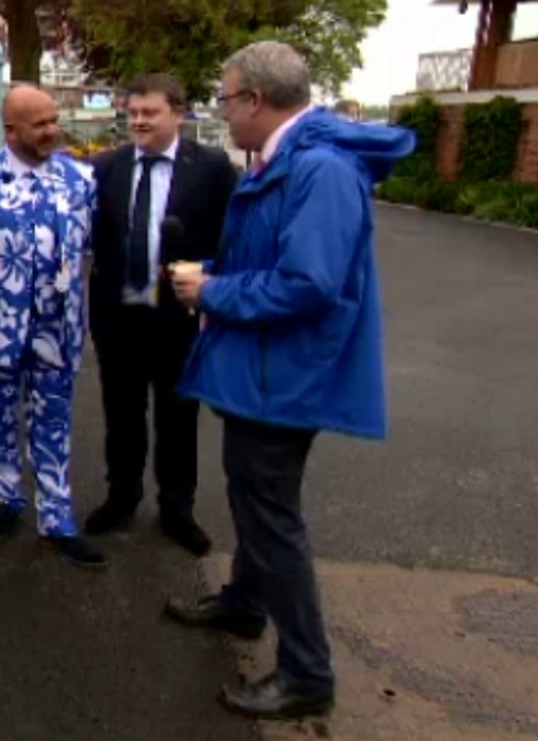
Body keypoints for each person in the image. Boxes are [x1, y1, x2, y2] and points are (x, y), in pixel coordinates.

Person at [166, 41, 414, 719]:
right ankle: (246, 603)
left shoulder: (319, 170)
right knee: (254, 500)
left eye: (225, 98)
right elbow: (273, 258)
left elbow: (308, 283)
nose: (222, 111)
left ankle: (308, 673)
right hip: (266, 373)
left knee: (271, 517)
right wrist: (217, 273)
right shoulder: (290, 161)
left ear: (255, 99)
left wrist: (213, 291)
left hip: (284, 377)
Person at [0, 84, 105, 568]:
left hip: (58, 329)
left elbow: (88, 246)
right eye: (39, 125)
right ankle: (5, 499)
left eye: (54, 120)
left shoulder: (80, 179)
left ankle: (57, 519)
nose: (52, 131)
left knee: (54, 421)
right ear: (10, 130)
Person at [83, 73, 237, 556]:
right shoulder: (105, 167)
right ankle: (121, 496)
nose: (138, 121)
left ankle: (177, 508)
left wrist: (209, 277)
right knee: (121, 414)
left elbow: (233, 237)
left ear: (179, 113)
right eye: (132, 112)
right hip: (119, 317)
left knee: (178, 418)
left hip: (178, 319)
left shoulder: (212, 167)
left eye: (149, 112)